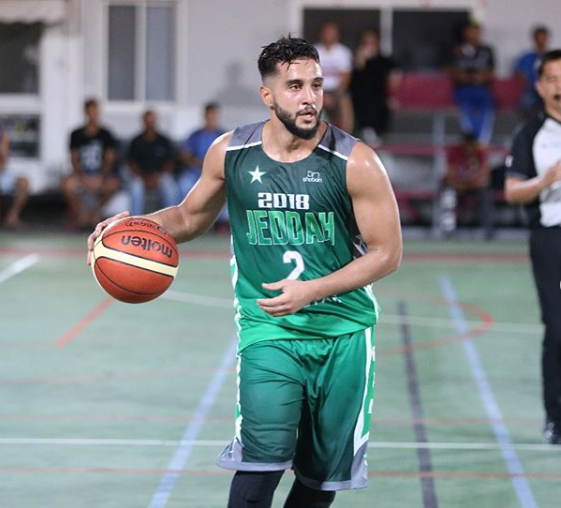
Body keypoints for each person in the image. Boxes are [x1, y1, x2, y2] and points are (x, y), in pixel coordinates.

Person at [87, 35, 402, 507]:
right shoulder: (231, 151)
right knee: (260, 466)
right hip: (268, 330)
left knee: (319, 484)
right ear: (267, 95)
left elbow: (387, 253)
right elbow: (189, 217)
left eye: (316, 85)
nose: (310, 97)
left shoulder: (355, 161)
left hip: (343, 333)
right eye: (295, 86)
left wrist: (311, 290)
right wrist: (128, 227)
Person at [505, 49, 561, 445]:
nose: (560, 86)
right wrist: (545, 181)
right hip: (551, 238)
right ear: (540, 86)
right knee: (558, 330)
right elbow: (512, 192)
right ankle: (555, 417)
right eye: (552, 79)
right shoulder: (530, 135)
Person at [64, 98, 120, 229]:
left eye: (95, 111)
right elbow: (73, 159)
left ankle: (96, 212)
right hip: (82, 174)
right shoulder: (76, 134)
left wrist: (100, 176)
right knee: (67, 185)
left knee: (113, 184)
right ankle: (82, 213)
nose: (93, 114)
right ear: (86, 112)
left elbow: (109, 159)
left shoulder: (106, 134)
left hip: (100, 175)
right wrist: (83, 177)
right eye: (90, 111)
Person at [446, 20, 496, 144]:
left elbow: (490, 71)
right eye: (470, 31)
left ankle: (481, 141)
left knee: (487, 108)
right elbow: (450, 69)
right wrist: (465, 77)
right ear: (465, 32)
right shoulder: (456, 50)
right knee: (465, 109)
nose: (473, 34)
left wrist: (480, 77)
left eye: (476, 32)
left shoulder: (487, 50)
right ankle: (469, 139)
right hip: (463, 89)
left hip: (481, 88)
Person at [438, 132, 493, 238]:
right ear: (463, 144)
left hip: (473, 187)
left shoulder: (479, 152)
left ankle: (488, 231)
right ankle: (448, 231)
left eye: (472, 145)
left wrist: (470, 184)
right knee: (448, 193)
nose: (469, 148)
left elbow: (485, 177)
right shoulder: (455, 151)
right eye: (467, 145)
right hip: (457, 186)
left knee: (485, 193)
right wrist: (461, 185)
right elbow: (450, 176)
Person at [350, 28, 399, 146]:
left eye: (372, 42)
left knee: (381, 103)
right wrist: (360, 61)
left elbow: (395, 74)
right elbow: (354, 80)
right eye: (366, 43)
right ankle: (366, 131)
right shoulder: (356, 60)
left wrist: (393, 92)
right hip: (360, 95)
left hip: (380, 96)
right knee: (363, 100)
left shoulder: (384, 60)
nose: (369, 46)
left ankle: (376, 134)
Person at [127, 109, 179, 215]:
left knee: (171, 189)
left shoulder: (163, 140)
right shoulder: (136, 141)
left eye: (152, 121)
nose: (150, 124)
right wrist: (144, 178)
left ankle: (171, 219)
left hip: (160, 176)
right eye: (148, 121)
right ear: (143, 122)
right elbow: (132, 163)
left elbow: (170, 163)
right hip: (141, 177)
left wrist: (158, 177)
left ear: (156, 121)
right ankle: (135, 220)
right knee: (136, 188)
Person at [314, 21, 355, 133]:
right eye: (327, 32)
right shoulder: (314, 51)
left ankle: (346, 136)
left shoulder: (343, 52)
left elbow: (346, 77)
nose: (329, 35)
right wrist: (322, 93)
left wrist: (334, 95)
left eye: (332, 33)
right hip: (318, 89)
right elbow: (310, 76)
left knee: (345, 102)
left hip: (337, 90)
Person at [177, 103, 225, 198]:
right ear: (205, 115)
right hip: (195, 172)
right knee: (183, 185)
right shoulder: (195, 135)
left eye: (214, 115)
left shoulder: (223, 135)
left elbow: (229, 156)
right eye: (210, 115)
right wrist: (197, 162)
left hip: (217, 173)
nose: (212, 118)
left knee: (228, 189)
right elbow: (185, 155)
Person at [513, 25, 550, 118]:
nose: (541, 41)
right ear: (534, 39)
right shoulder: (526, 57)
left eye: (543, 38)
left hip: (549, 90)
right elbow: (518, 73)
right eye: (539, 38)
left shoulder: (552, 58)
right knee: (525, 103)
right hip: (531, 90)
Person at [0, 122, 30, 230]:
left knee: (23, 182)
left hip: (2, 173)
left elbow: (3, 161)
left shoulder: (2, 133)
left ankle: (12, 217)